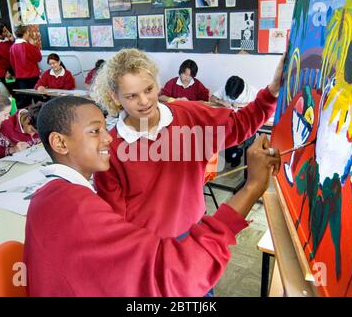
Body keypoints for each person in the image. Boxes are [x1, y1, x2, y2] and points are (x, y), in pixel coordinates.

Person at [24, 95, 281, 296]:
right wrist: (252, 187)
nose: (108, 139)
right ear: (60, 143)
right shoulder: (79, 209)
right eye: (94, 131)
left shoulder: (46, 196)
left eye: (105, 128)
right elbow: (181, 273)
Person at [91, 48, 284, 242]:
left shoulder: (189, 115)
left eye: (149, 89)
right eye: (131, 96)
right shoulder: (110, 149)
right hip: (148, 247)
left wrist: (273, 90)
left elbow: (240, 123)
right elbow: (115, 221)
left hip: (194, 231)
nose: (144, 101)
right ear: (115, 97)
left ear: (157, 85)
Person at [210, 76, 259, 167]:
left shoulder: (250, 91)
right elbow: (212, 98)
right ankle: (232, 154)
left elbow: (258, 104)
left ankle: (237, 153)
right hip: (229, 122)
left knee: (238, 139)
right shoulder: (227, 87)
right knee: (222, 134)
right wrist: (220, 101)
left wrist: (241, 105)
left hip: (244, 124)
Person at [9, 25, 42, 108]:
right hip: (32, 77)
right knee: (37, 98)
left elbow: (12, 63)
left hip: (20, 78)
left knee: (25, 99)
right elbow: (38, 58)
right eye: (28, 32)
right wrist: (34, 46)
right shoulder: (28, 46)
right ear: (25, 33)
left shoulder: (12, 47)